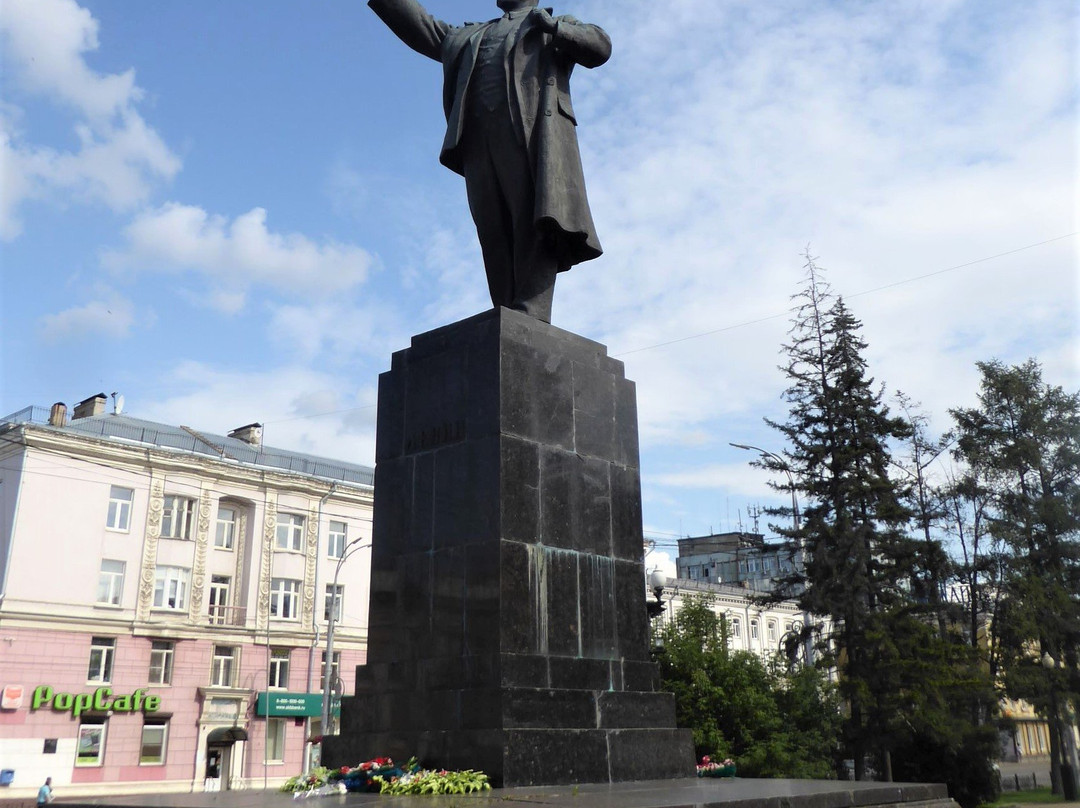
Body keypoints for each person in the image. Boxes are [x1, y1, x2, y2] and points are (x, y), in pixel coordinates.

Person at [368, 0, 611, 323]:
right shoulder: (471, 35)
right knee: (491, 226)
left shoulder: (548, 25)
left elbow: (599, 45)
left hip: (529, 132)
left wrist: (554, 28)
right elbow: (423, 28)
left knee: (533, 217)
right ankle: (506, 310)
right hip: (478, 138)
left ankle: (531, 312)